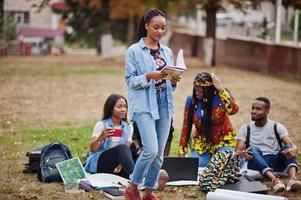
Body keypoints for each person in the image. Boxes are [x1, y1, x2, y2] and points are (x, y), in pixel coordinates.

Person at [124, 8, 180, 200]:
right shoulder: (134, 51)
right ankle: (132, 186)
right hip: (144, 107)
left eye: (163, 28)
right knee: (151, 150)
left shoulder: (167, 52)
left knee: (159, 155)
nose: (160, 31)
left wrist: (173, 81)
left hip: (164, 106)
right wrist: (148, 76)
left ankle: (149, 191)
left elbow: (169, 86)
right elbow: (130, 81)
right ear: (147, 25)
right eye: (156, 27)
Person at [236, 97, 301, 192]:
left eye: (258, 109)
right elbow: (237, 152)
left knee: (288, 147)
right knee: (252, 148)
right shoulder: (245, 128)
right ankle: (275, 180)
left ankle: (293, 180)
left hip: (275, 162)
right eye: (253, 108)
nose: (253, 111)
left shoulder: (276, 126)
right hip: (256, 163)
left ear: (267, 111)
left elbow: (293, 146)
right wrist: (242, 154)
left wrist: (293, 150)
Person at [178, 72, 239, 167]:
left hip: (223, 140)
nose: (197, 93)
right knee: (194, 166)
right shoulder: (191, 101)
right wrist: (182, 151)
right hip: (203, 142)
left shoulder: (221, 97)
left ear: (209, 90)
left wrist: (221, 89)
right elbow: (186, 127)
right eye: (196, 89)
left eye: (201, 91)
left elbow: (233, 110)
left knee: (223, 166)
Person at [84, 94, 134, 179]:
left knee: (131, 150)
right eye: (119, 107)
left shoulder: (129, 127)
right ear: (111, 108)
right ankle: (136, 179)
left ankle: (137, 178)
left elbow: (126, 150)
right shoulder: (101, 124)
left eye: (125, 107)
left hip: (117, 166)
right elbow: (93, 149)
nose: (123, 110)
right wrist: (102, 137)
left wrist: (121, 164)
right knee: (121, 148)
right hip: (101, 163)